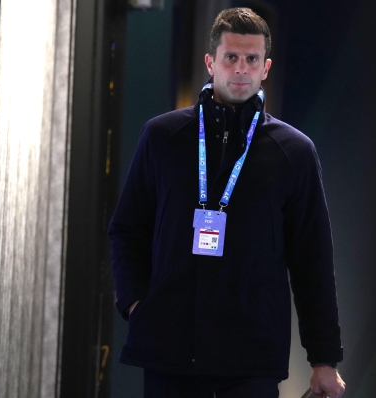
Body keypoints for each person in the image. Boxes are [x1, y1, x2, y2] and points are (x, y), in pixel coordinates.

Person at [109, 7, 345, 398]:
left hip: (251, 359)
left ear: (266, 67)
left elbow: (313, 260)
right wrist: (136, 305)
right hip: (170, 351)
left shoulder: (294, 152)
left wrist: (324, 360)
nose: (240, 68)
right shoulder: (162, 137)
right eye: (230, 57)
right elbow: (126, 228)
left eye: (251, 59)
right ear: (210, 62)